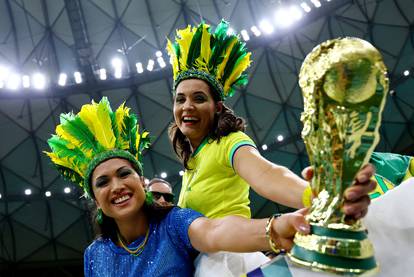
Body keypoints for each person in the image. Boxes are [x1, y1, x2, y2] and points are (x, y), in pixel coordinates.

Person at [166, 20, 376, 275]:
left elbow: (267, 175)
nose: (187, 106)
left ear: (217, 107)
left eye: (199, 98)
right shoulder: (193, 162)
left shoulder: (229, 143)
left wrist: (320, 195)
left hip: (228, 263)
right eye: (180, 99)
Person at [45, 97, 318, 276]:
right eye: (102, 182)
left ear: (142, 182)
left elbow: (215, 231)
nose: (116, 186)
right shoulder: (95, 255)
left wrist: (275, 228)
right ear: (94, 197)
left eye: (124, 174)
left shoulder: (172, 223)